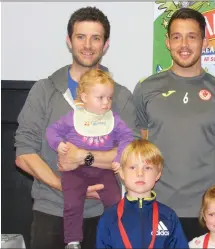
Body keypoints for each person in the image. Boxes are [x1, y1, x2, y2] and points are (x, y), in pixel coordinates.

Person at [14, 6, 138, 249]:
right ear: (69, 41)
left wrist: (85, 157)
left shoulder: (120, 96)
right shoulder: (45, 91)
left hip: (105, 215)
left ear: (106, 44)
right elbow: (24, 153)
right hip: (52, 212)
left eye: (96, 38)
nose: (88, 45)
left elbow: (131, 152)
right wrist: (67, 187)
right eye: (80, 37)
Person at [133, 8, 215, 241]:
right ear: (168, 42)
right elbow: (140, 150)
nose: (184, 44)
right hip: (155, 208)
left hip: (204, 214)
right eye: (177, 36)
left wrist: (207, 202)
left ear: (204, 41)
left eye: (192, 36)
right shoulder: (145, 89)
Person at [45, 68, 135, 248]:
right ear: (84, 97)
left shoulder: (113, 119)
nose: (106, 103)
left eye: (109, 98)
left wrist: (119, 156)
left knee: (115, 202)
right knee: (72, 203)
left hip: (103, 171)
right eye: (100, 98)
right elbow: (52, 131)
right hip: (75, 172)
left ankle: (116, 237)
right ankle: (72, 240)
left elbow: (127, 137)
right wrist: (57, 144)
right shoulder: (73, 118)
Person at [95, 139, 189, 249]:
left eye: (147, 168)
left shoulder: (168, 216)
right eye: (132, 167)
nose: (140, 173)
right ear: (121, 173)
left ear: (158, 174)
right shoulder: (109, 218)